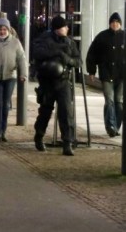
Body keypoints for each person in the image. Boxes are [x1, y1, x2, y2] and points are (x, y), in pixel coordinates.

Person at [32, 16, 81, 156]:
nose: (67, 29)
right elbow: (38, 53)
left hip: (63, 81)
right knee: (45, 111)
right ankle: (39, 136)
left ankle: (67, 142)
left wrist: (68, 60)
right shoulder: (45, 39)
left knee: (66, 112)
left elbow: (78, 61)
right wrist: (58, 51)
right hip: (47, 81)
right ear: (58, 29)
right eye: (64, 27)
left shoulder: (70, 42)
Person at [85, 12, 125, 138]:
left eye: (117, 22)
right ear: (109, 23)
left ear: (120, 24)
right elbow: (92, 54)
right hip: (106, 74)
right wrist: (91, 71)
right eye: (113, 22)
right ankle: (110, 126)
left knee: (119, 101)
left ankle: (116, 125)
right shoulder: (102, 37)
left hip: (122, 75)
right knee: (109, 100)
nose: (115, 24)